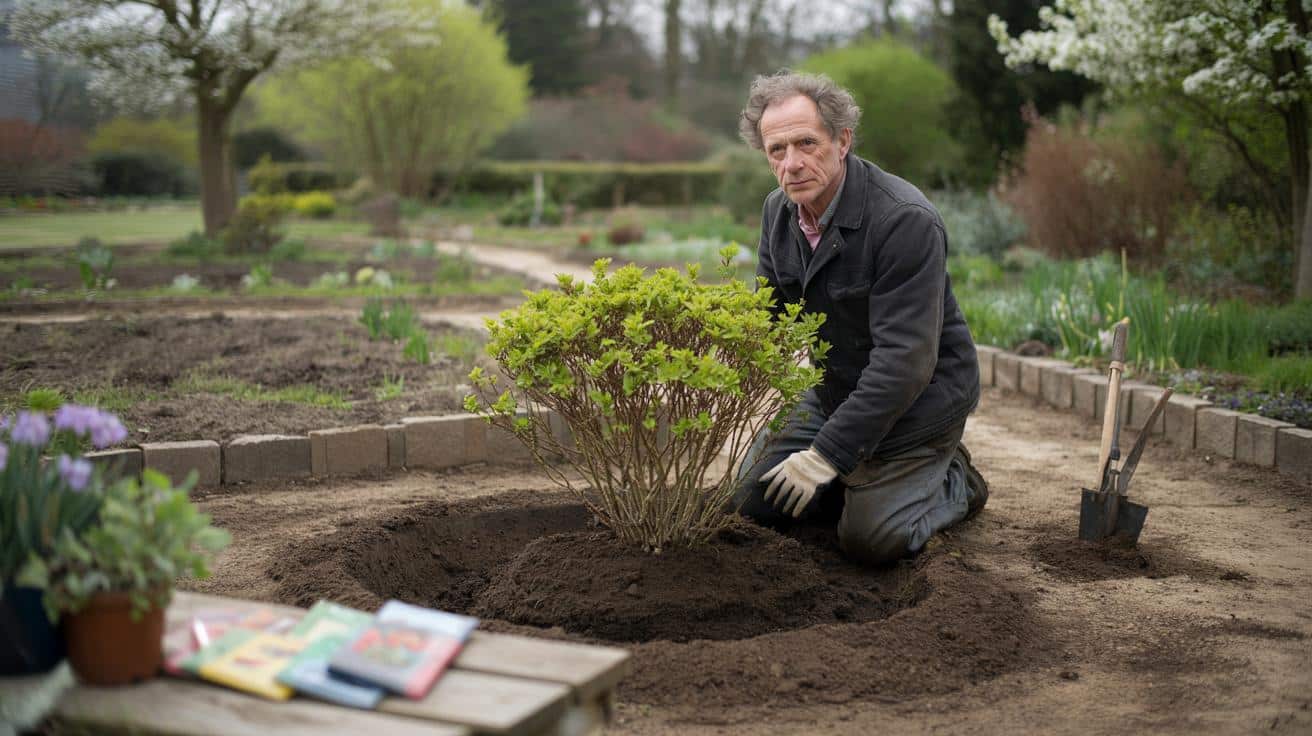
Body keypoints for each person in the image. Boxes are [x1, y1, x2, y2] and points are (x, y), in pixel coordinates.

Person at [731, 71, 988, 565]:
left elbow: (905, 363)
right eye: (776, 150)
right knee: (750, 502)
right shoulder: (778, 213)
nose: (792, 164)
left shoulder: (902, 220)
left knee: (871, 541)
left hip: (919, 402)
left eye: (807, 143)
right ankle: (856, 477)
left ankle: (955, 479)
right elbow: (767, 317)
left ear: (842, 140)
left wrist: (825, 455)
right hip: (838, 390)